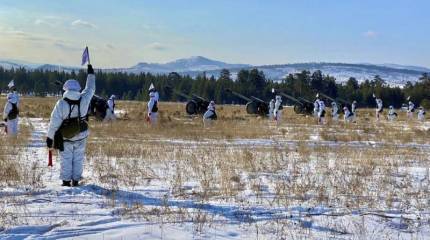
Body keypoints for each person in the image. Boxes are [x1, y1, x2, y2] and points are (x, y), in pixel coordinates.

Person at [46, 64, 95, 187]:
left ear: (65, 89)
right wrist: (90, 74)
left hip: (66, 137)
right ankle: (76, 180)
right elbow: (90, 88)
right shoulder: (84, 99)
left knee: (66, 159)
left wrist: (49, 138)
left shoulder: (61, 103)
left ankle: (66, 182)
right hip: (81, 135)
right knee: (78, 158)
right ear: (78, 89)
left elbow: (54, 122)